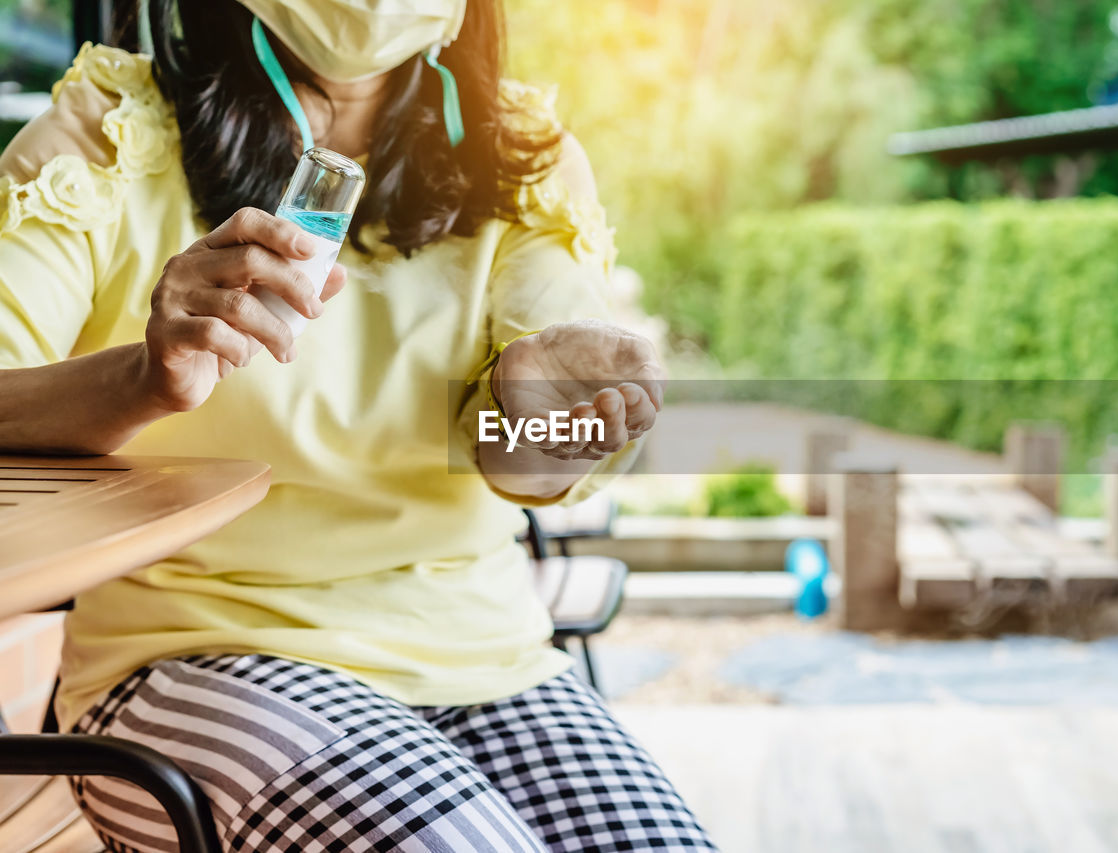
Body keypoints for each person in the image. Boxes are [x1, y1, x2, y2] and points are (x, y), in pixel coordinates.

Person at [0, 0, 715, 850]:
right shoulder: (107, 133)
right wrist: (145, 377)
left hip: (487, 660)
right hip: (191, 653)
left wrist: (541, 426)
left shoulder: (523, 160)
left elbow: (518, 464)